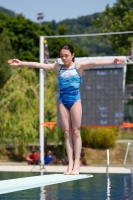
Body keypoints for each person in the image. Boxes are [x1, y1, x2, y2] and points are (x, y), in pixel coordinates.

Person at [8, 44, 125, 175]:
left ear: (72, 55)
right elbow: (38, 65)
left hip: (75, 100)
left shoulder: (79, 66)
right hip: (63, 101)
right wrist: (21, 63)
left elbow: (95, 62)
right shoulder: (58, 67)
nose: (63, 58)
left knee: (76, 131)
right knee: (67, 132)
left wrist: (113, 61)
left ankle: (77, 164)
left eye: (66, 56)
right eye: (61, 56)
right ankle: (69, 164)